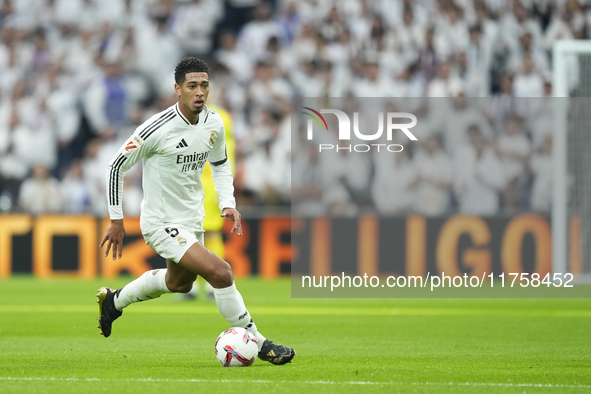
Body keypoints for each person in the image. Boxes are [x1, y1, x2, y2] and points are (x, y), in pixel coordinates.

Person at [96, 57, 295, 366]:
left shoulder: (214, 122)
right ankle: (260, 341)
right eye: (192, 86)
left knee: (180, 284)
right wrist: (116, 219)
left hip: (192, 218)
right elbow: (116, 166)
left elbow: (219, 164)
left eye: (204, 85)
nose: (200, 92)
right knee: (221, 272)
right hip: (161, 222)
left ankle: (114, 301)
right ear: (178, 89)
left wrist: (227, 201)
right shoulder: (156, 129)